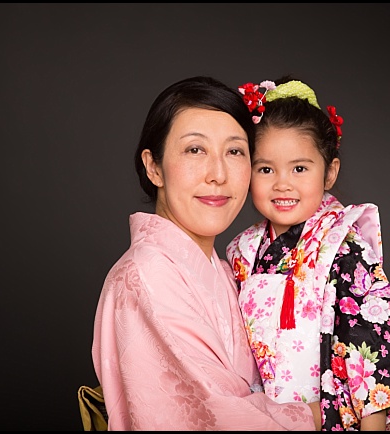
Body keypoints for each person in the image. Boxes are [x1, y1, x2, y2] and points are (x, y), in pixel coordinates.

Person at [91, 76, 322, 430]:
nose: (218, 174)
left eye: (234, 152)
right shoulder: (144, 278)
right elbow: (210, 418)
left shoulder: (229, 269)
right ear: (154, 167)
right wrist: (326, 414)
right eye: (195, 150)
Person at [227, 77, 390, 430]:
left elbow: (369, 352)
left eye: (300, 168)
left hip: (335, 417)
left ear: (329, 172)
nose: (282, 183)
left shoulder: (343, 247)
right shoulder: (243, 251)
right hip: (267, 418)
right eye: (266, 169)